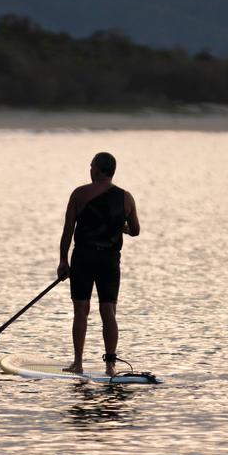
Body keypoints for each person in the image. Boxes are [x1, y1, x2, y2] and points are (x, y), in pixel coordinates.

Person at [57, 151, 140, 376]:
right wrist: (117, 226)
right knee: (108, 310)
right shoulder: (126, 198)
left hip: (83, 257)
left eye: (92, 166)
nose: (90, 169)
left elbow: (67, 231)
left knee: (80, 310)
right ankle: (110, 365)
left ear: (99, 170)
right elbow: (135, 230)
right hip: (109, 260)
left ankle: (78, 363)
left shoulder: (79, 194)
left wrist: (63, 261)